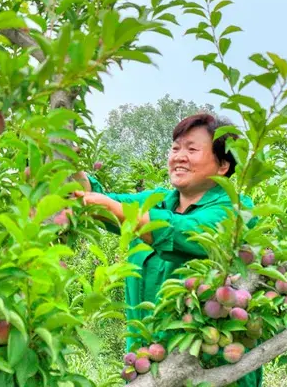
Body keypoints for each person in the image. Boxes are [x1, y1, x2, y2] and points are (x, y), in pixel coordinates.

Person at [73, 112, 261, 387]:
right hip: (149, 367)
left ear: (222, 165)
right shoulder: (157, 201)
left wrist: (111, 207)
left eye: (192, 149)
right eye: (175, 148)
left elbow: (185, 231)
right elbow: (97, 200)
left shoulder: (236, 211)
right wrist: (70, 167)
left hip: (212, 371)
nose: (179, 156)